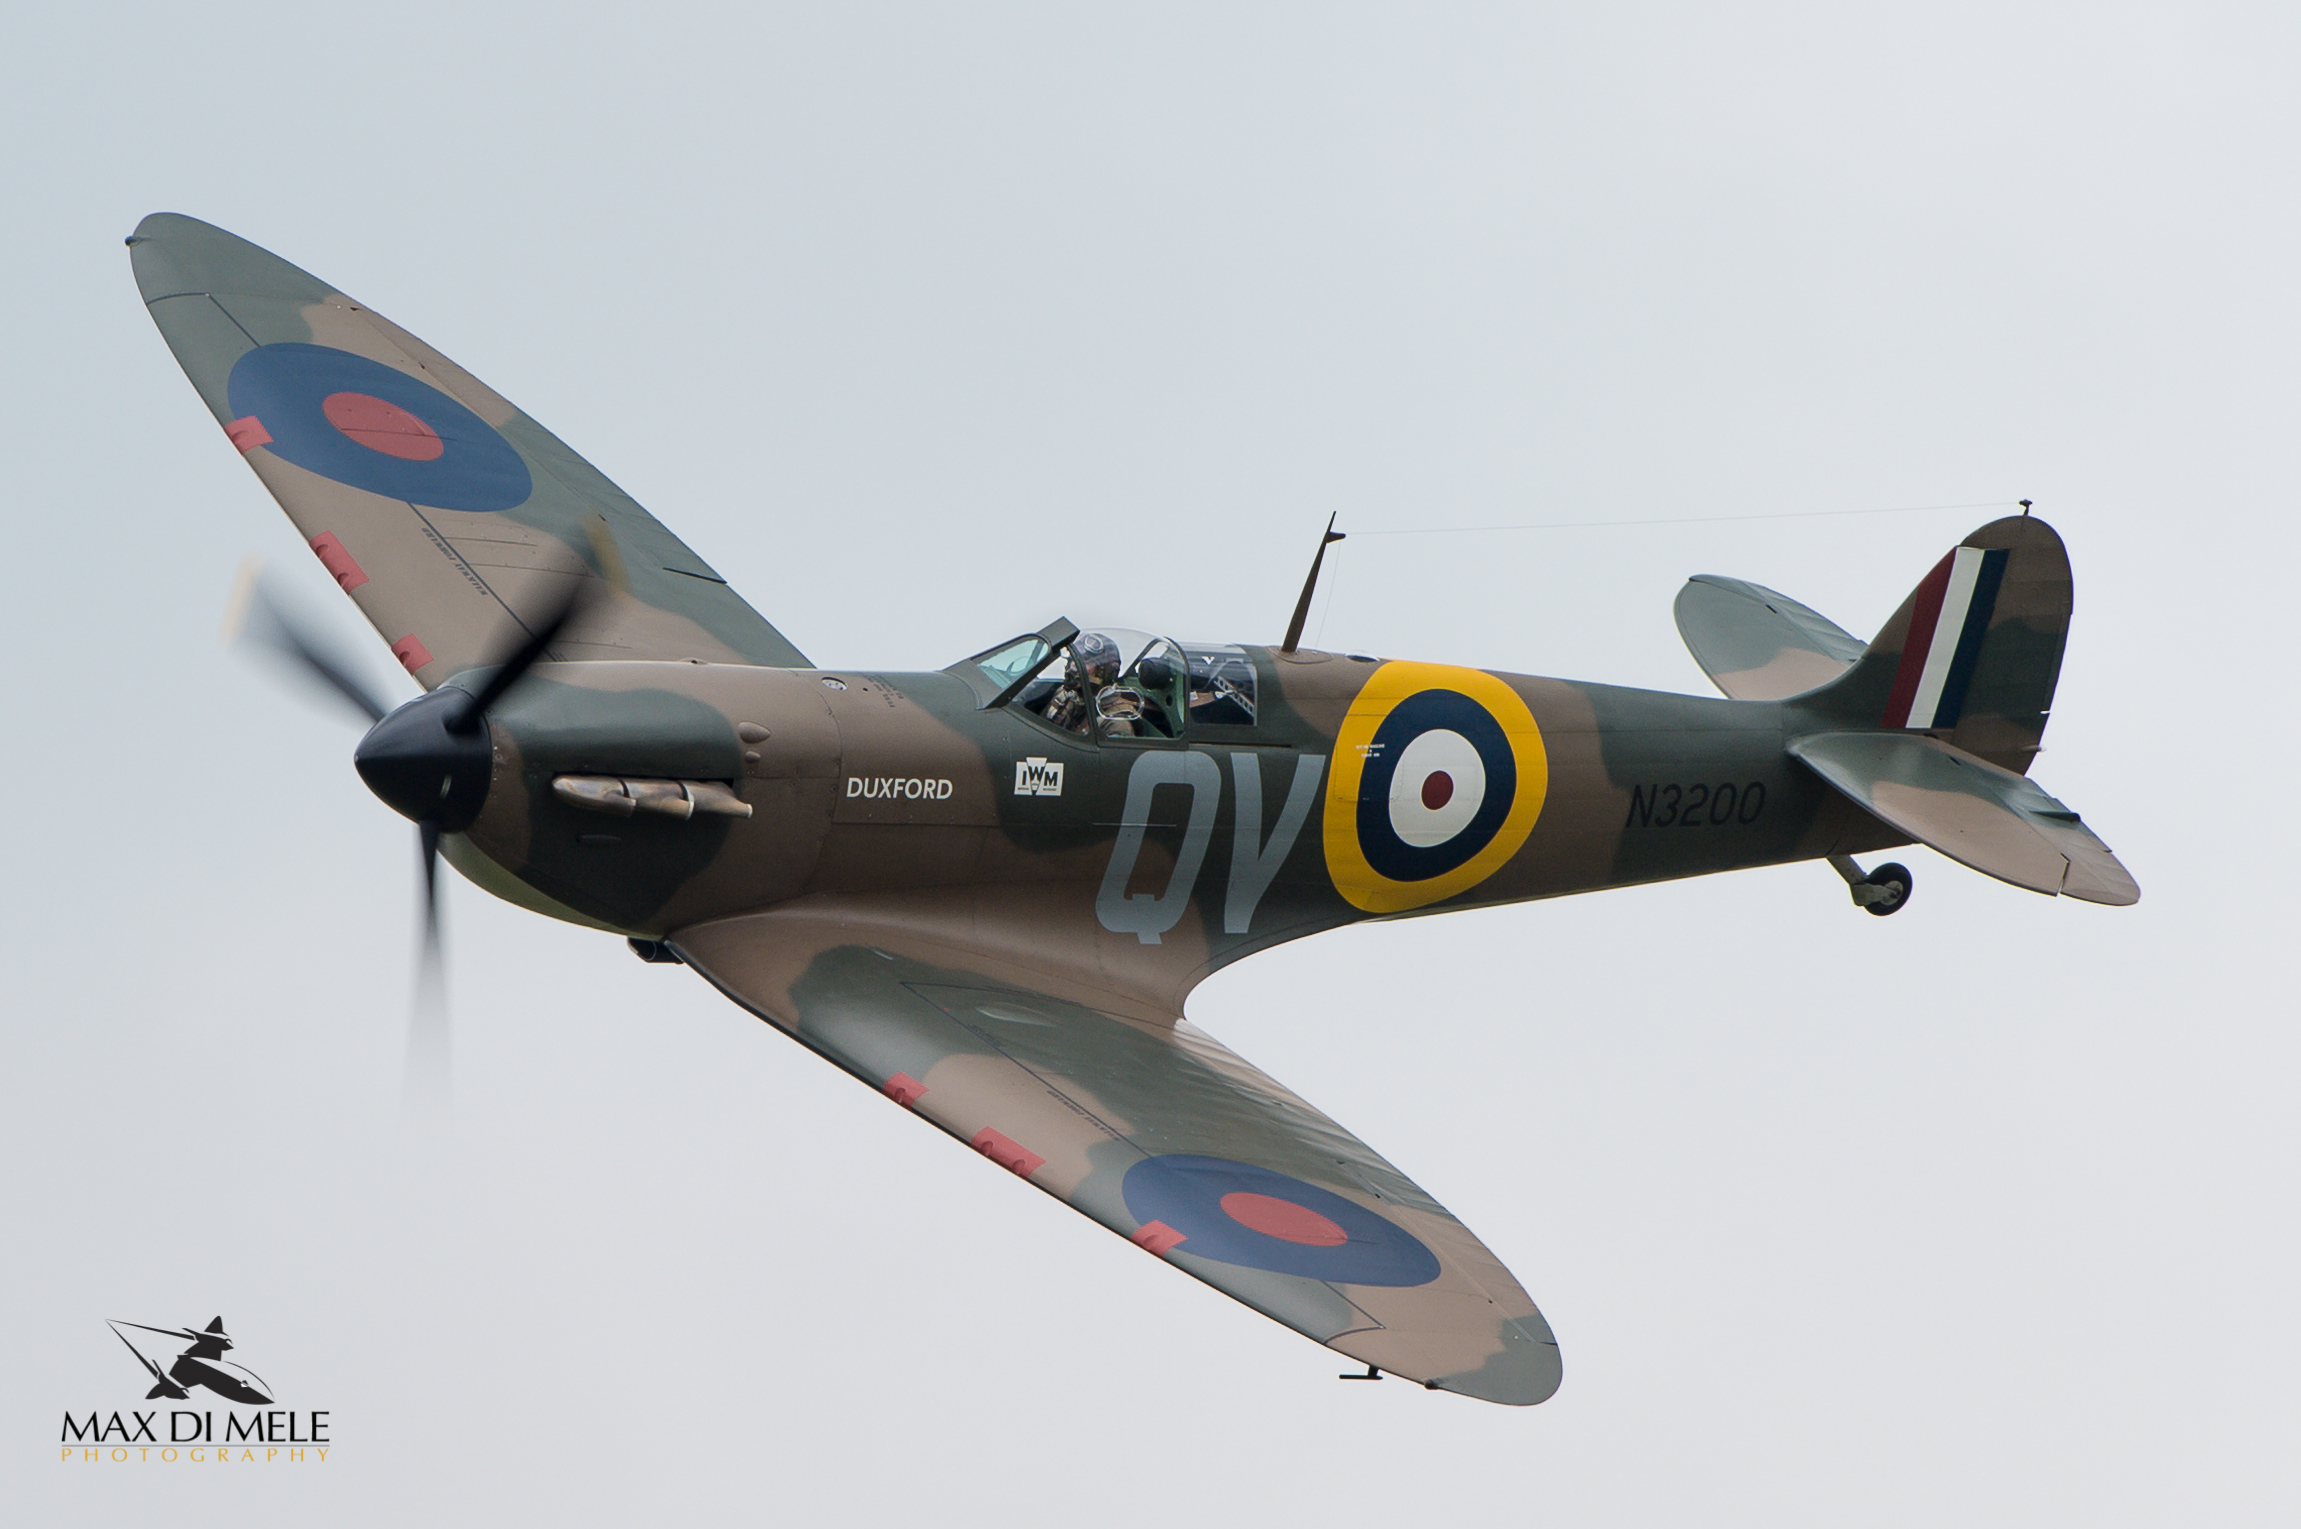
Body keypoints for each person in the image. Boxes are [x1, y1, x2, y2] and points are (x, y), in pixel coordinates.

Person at [1041, 631, 1123, 735]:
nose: (1073, 666)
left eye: (1085, 662)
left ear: (1107, 673)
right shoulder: (1063, 696)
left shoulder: (1115, 720)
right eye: (1073, 659)